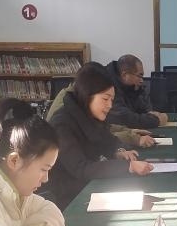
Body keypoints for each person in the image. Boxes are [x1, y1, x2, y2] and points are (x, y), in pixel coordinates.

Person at [41, 62, 154, 210]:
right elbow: (81, 168)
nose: (110, 106)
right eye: (105, 99)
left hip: (90, 187)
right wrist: (129, 166)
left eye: (112, 100)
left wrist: (119, 151)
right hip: (68, 200)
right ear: (88, 95)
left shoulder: (88, 114)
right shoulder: (62, 124)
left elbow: (108, 139)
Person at [47, 83, 156, 149]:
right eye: (105, 98)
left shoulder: (78, 99)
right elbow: (95, 139)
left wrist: (128, 130)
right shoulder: (69, 109)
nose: (109, 105)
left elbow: (102, 127)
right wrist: (132, 138)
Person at [107, 54, 168, 129]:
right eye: (139, 76)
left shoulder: (132, 87)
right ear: (125, 75)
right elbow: (123, 118)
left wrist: (150, 115)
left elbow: (145, 110)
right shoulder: (107, 86)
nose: (141, 80)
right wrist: (156, 120)